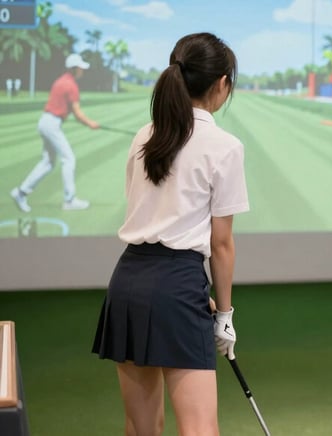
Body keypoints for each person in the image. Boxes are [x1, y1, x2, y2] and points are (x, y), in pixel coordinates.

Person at [91, 32, 249, 436]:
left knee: (141, 427)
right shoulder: (225, 146)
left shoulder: (144, 135)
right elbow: (222, 244)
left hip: (129, 283)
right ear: (222, 84)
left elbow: (149, 216)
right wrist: (225, 316)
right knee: (199, 428)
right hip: (177, 285)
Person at [10, 53, 100, 212]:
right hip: (51, 124)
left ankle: (21, 192)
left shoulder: (61, 81)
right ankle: (69, 200)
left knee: (48, 163)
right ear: (74, 69)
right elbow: (77, 113)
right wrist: (90, 123)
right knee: (69, 159)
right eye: (80, 68)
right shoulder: (71, 85)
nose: (82, 71)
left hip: (47, 121)